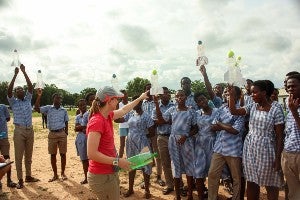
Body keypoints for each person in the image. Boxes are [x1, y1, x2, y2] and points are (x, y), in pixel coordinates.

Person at [86, 86, 148, 199]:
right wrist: (117, 161)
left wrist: (140, 98)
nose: (118, 101)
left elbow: (124, 110)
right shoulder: (97, 121)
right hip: (101, 176)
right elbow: (91, 154)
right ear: (109, 101)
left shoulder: (108, 115)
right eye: (116, 99)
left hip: (109, 172)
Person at [228, 80, 285, 200]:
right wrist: (232, 96)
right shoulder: (252, 106)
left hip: (268, 150)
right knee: (252, 181)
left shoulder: (276, 108)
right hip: (250, 148)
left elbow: (280, 136)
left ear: (264, 93)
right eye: (251, 92)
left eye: (255, 92)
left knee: (271, 183)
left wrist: (278, 158)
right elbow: (234, 111)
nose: (252, 95)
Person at [156, 90, 197, 200]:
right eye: (177, 96)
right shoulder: (172, 109)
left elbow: (196, 127)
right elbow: (161, 119)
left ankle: (190, 195)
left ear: (185, 97)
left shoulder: (191, 111)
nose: (179, 97)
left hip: (186, 141)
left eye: (182, 95)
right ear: (175, 97)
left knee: (189, 166)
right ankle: (177, 195)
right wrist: (156, 103)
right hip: (173, 140)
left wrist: (186, 135)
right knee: (175, 166)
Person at [208, 86, 245, 200]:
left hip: (233, 149)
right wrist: (225, 126)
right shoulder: (222, 108)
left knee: (236, 178)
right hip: (219, 148)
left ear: (238, 97)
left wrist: (220, 124)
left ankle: (236, 198)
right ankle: (212, 198)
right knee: (212, 174)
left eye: (232, 94)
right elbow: (213, 127)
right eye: (228, 94)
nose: (229, 96)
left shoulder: (241, 111)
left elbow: (235, 130)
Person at [7, 65, 39, 189]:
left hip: (30, 130)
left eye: (21, 89)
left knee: (29, 155)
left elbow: (30, 87)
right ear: (15, 93)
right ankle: (20, 180)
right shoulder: (13, 102)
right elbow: (9, 91)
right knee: (19, 156)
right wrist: (15, 75)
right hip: (19, 131)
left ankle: (28, 176)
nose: (20, 90)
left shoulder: (27, 99)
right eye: (17, 89)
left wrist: (24, 72)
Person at [117, 95, 155, 199]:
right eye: (132, 101)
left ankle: (147, 190)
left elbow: (152, 132)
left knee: (145, 166)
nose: (133, 104)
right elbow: (118, 120)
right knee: (131, 165)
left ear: (140, 103)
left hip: (143, 143)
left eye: (136, 102)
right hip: (130, 143)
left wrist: (141, 137)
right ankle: (130, 189)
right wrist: (116, 105)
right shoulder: (130, 114)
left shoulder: (146, 116)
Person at [34, 90, 69, 182]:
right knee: (53, 154)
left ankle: (63, 173)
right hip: (52, 134)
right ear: (53, 99)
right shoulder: (48, 108)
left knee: (63, 154)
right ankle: (55, 175)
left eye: (60, 98)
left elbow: (66, 121)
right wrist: (39, 96)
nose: (58, 99)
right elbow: (36, 108)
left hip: (62, 133)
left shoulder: (64, 110)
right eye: (56, 97)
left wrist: (66, 132)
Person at [193, 92, 218, 200]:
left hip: (213, 143)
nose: (202, 102)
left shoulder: (216, 112)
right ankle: (200, 196)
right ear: (197, 103)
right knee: (198, 171)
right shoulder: (197, 114)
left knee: (213, 172)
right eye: (199, 101)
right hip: (199, 144)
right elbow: (194, 128)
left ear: (207, 99)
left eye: (203, 99)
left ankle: (213, 196)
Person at [152, 87, 175, 195]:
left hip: (174, 136)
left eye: (168, 93)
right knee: (165, 163)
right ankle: (170, 185)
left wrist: (161, 120)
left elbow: (173, 121)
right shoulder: (155, 107)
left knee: (176, 162)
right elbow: (156, 122)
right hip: (162, 137)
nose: (167, 94)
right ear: (160, 95)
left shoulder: (174, 106)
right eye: (164, 93)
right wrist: (165, 121)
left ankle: (179, 185)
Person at [142, 83, 165, 186]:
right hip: (145, 133)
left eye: (151, 89)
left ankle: (159, 176)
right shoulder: (142, 103)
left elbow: (159, 119)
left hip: (155, 132)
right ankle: (146, 177)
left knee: (157, 155)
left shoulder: (158, 103)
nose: (149, 91)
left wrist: (153, 124)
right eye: (147, 90)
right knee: (146, 155)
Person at [282, 74, 300, 200]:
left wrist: (294, 112)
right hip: (288, 153)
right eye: (289, 87)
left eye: (294, 86)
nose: (290, 89)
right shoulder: (290, 105)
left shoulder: (292, 108)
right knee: (294, 193)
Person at [0, 104, 17, 189]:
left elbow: (8, 118)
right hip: (3, 135)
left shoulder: (3, 107)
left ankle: (9, 180)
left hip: (3, 136)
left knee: (6, 158)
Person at [74, 99, 89, 184]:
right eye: (81, 105)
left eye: (84, 105)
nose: (83, 106)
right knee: (84, 159)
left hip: (89, 138)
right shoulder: (77, 117)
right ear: (78, 107)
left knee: (91, 159)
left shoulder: (90, 115)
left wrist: (81, 127)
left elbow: (89, 127)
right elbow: (75, 129)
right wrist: (84, 127)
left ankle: (92, 177)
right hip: (81, 139)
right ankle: (86, 177)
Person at [117, 90, 129, 158]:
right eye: (123, 95)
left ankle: (130, 157)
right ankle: (120, 159)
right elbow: (116, 116)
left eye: (126, 94)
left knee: (131, 143)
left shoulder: (130, 103)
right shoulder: (119, 104)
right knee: (122, 144)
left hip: (130, 126)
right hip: (122, 126)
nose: (125, 96)